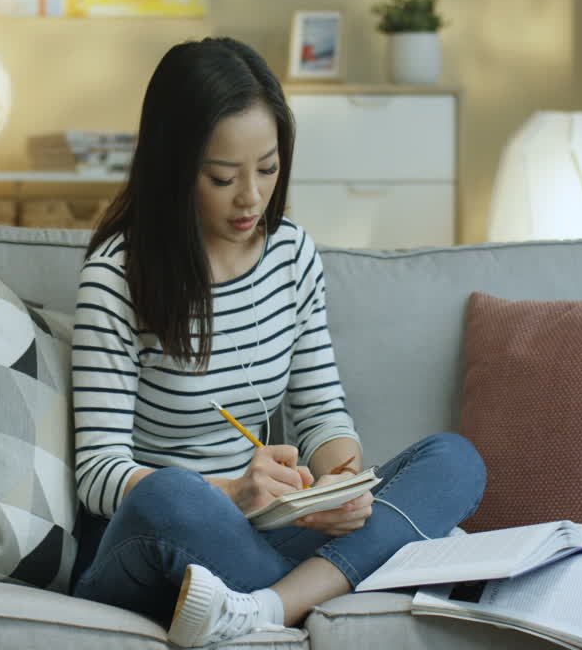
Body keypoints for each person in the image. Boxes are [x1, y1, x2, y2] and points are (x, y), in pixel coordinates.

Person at [68, 36, 486, 647]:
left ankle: (264, 607)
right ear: (174, 166)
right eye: (222, 176)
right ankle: (377, 567)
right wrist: (233, 493)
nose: (251, 197)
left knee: (454, 460)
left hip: (266, 533)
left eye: (267, 168)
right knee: (170, 496)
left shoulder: (290, 254)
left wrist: (339, 486)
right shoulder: (116, 277)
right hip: (157, 540)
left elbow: (320, 412)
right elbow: (98, 472)